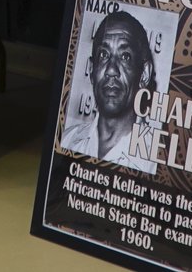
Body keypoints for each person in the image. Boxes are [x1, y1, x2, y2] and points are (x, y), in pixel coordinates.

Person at [61, 10, 158, 174]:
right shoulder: (68, 140)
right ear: (92, 69)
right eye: (104, 55)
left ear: (144, 74)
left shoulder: (155, 161)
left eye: (125, 56)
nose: (111, 70)